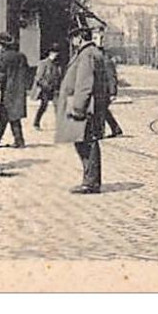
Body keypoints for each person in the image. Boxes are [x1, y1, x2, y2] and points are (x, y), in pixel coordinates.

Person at [54, 24, 110, 194]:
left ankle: (91, 182)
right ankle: (90, 180)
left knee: (87, 142)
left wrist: (78, 108)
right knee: (86, 142)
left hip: (85, 107)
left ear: (79, 37)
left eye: (73, 37)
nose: (72, 41)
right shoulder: (92, 53)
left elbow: (84, 84)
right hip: (92, 105)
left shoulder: (86, 55)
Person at [0, 32, 32, 149]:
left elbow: (1, 75)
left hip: (8, 90)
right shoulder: (21, 56)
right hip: (19, 90)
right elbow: (28, 73)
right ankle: (17, 140)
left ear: (2, 45)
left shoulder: (2, 57)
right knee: (14, 117)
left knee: (4, 115)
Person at [31, 46, 62, 128]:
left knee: (58, 105)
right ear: (51, 53)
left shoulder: (57, 65)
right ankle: (36, 122)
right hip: (45, 89)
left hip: (54, 88)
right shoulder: (43, 63)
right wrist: (45, 85)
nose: (56, 55)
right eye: (55, 53)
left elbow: (58, 76)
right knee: (43, 105)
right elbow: (38, 78)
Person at [100, 44, 124, 138]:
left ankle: (101, 132)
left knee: (102, 111)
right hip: (104, 91)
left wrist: (113, 93)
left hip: (106, 92)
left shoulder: (106, 63)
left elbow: (112, 78)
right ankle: (116, 129)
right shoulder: (103, 62)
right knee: (104, 111)